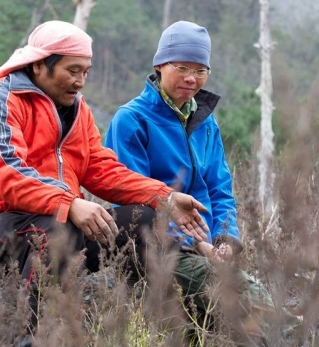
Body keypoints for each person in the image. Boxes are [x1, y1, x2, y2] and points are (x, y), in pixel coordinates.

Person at [0, 20, 210, 338]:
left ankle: (157, 328)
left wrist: (164, 196)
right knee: (56, 229)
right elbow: (6, 172)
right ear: (39, 66)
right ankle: (23, 335)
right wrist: (69, 203)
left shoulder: (77, 110)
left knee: (140, 220)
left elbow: (100, 168)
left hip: (56, 222)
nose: (80, 81)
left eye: (85, 71)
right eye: (72, 70)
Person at [104, 21, 300, 343]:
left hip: (207, 251)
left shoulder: (206, 124)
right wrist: (195, 243)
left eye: (201, 70)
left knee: (250, 306)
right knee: (246, 301)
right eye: (182, 68)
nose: (191, 79)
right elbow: (133, 204)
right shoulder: (132, 119)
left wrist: (224, 239)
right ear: (159, 65)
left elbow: (220, 190)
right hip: (160, 253)